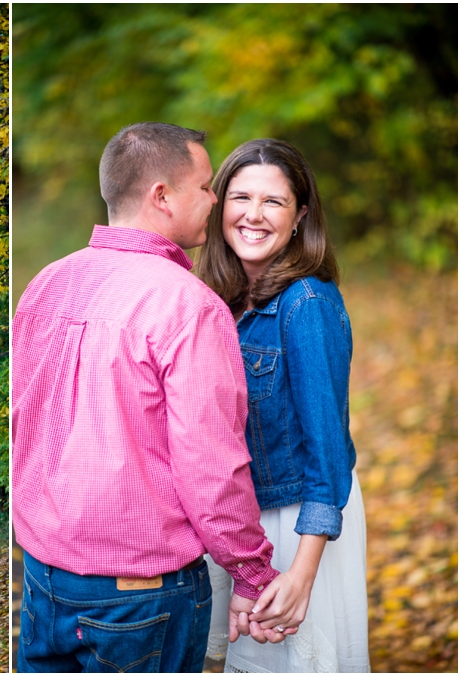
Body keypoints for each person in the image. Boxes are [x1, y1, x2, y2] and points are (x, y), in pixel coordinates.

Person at [12, 122, 291, 674]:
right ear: (161, 197)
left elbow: (23, 425)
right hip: (141, 597)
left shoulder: (45, 284)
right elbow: (211, 468)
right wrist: (254, 574)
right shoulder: (190, 306)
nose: (217, 199)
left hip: (44, 580)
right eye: (207, 186)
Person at [195, 138, 370, 672]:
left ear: (299, 217)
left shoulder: (306, 303)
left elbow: (329, 452)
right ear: (218, 203)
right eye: (240, 197)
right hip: (241, 521)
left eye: (273, 202)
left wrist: (301, 575)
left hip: (300, 524)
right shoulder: (217, 299)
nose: (253, 215)